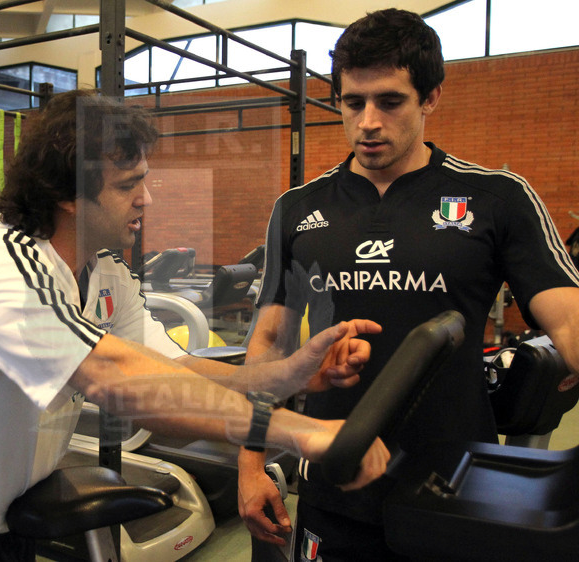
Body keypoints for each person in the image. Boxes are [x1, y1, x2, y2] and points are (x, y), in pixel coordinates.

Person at [0, 89, 390, 562]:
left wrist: (289, 376)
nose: (147, 198)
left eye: (144, 180)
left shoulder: (105, 269)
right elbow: (113, 378)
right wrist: (307, 434)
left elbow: (175, 369)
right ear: (68, 194)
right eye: (127, 185)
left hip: (12, 525)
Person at [237, 8, 579, 562]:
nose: (368, 121)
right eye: (353, 103)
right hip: (334, 480)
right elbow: (268, 344)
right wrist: (251, 464)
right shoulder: (298, 210)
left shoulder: (498, 198)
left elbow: (568, 318)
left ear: (431, 97)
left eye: (390, 101)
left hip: (456, 485)